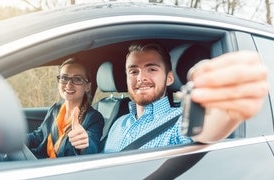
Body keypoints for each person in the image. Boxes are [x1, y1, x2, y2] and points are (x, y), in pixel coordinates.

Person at [104, 43, 268, 153]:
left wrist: (228, 108)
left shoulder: (180, 121)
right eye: (134, 71)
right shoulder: (118, 123)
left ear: (169, 78)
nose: (140, 78)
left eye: (152, 69)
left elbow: (206, 130)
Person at [27, 58, 104, 158]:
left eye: (77, 79)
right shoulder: (55, 109)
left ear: (87, 87)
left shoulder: (94, 118)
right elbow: (39, 136)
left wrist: (84, 145)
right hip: (42, 163)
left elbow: (92, 147)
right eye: (64, 78)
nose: (69, 84)